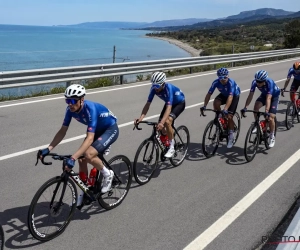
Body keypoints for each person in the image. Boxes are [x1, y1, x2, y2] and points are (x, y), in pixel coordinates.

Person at [37, 84, 119, 207]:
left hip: (109, 129)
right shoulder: (69, 110)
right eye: (67, 100)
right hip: (96, 131)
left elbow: (90, 137)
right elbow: (62, 131)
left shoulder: (90, 108)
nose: (70, 104)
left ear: (81, 100)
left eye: (72, 101)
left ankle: (108, 174)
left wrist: (73, 158)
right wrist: (48, 149)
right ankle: (83, 192)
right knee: (82, 160)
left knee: (88, 154)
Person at [134, 71, 185, 158]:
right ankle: (167, 142)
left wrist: (163, 122)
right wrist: (141, 118)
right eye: (153, 86)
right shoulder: (153, 89)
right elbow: (148, 104)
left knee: (167, 121)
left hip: (179, 103)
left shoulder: (168, 88)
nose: (155, 88)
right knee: (160, 127)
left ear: (163, 83)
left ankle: (172, 147)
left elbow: (169, 108)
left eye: (157, 86)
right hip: (168, 104)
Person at [200, 67, 241, 148]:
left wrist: (225, 109)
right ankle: (220, 117)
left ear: (228, 76)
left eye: (225, 77)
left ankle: (231, 136)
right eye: (221, 78)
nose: (223, 80)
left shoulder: (231, 83)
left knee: (229, 116)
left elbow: (230, 97)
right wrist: (204, 106)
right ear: (218, 77)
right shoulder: (215, 82)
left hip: (233, 96)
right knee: (216, 102)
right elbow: (209, 94)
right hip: (224, 94)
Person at [241, 70, 280, 148]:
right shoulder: (254, 82)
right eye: (257, 81)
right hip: (264, 95)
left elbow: (269, 98)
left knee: (271, 117)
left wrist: (266, 111)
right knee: (256, 108)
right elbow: (250, 95)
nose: (258, 83)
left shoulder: (270, 83)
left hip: (274, 97)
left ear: (265, 80)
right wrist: (245, 107)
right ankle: (257, 124)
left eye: (260, 82)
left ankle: (272, 136)